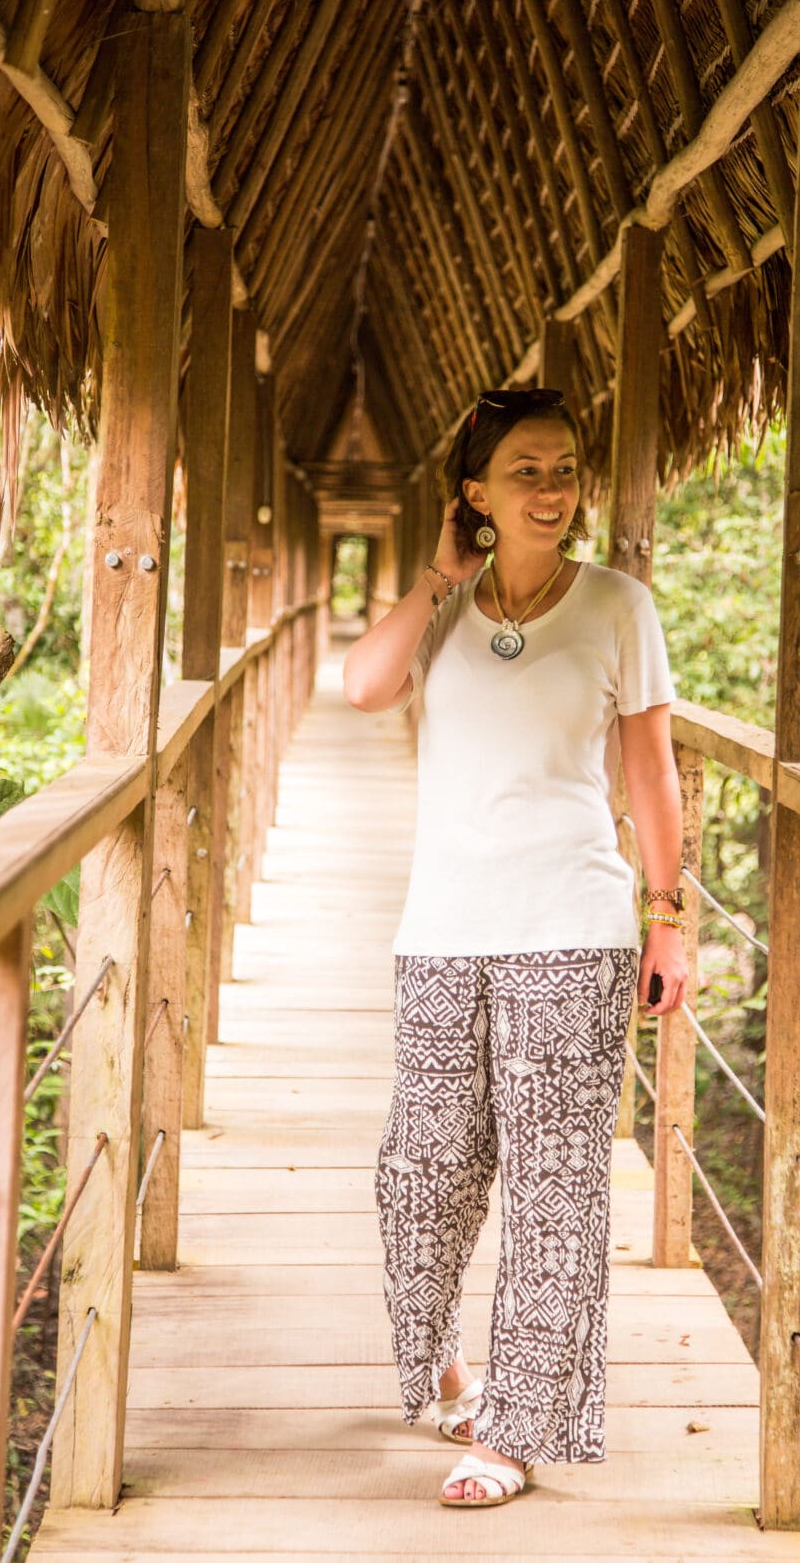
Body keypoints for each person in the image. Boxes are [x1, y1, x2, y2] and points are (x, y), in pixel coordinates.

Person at [342, 387, 688, 1507]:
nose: (552, 489)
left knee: (555, 1187)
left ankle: (514, 1430)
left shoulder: (618, 608)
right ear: (475, 494)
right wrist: (438, 576)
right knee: (420, 1171)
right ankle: (442, 1365)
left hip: (571, 927)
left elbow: (650, 773)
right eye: (526, 471)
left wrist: (666, 915)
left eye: (566, 468)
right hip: (441, 928)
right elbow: (359, 686)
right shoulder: (443, 607)